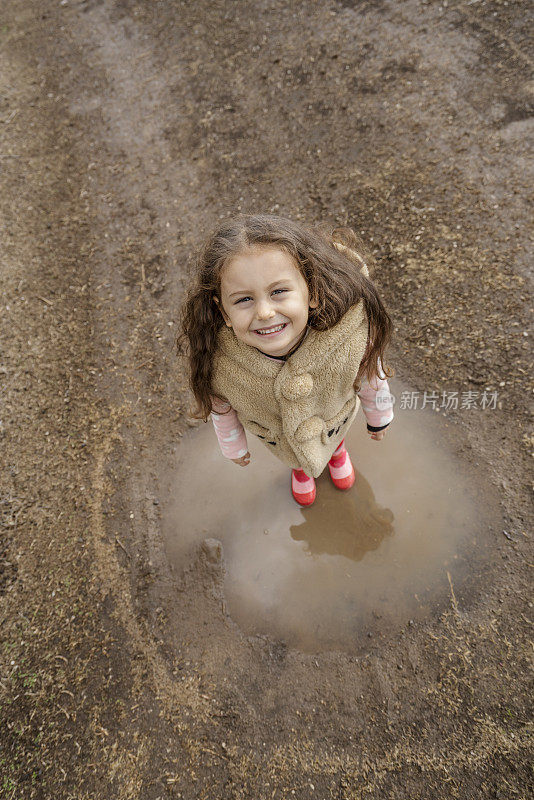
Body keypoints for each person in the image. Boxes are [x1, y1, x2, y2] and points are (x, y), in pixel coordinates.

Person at [177, 214, 395, 507]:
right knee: (296, 456)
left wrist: (379, 417)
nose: (265, 312)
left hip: (335, 422)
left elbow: (371, 376)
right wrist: (233, 447)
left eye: (278, 292)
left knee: (334, 440)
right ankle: (301, 471)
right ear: (224, 313)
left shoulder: (348, 337)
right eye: (244, 300)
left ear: (312, 292)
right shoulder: (221, 366)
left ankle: (338, 454)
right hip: (284, 443)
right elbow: (222, 408)